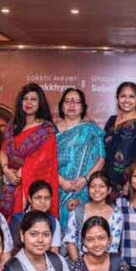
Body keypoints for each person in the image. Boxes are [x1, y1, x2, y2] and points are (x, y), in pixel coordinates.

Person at [0, 83, 59, 219]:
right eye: (25, 99)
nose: (28, 103)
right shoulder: (12, 126)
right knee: (11, 225)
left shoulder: (46, 129)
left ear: (40, 103)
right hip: (10, 183)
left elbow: (44, 159)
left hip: (29, 184)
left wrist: (22, 171)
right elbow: (3, 150)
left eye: (33, 99)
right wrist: (6, 170)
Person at [55, 88, 105, 230]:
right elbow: (46, 162)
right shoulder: (50, 131)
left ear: (83, 107)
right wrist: (62, 182)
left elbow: (101, 158)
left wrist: (85, 179)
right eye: (68, 101)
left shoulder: (91, 130)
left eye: (76, 102)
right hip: (57, 187)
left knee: (82, 230)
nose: (72, 105)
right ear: (61, 105)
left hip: (83, 189)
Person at [64, 172, 122, 260]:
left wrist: (105, 268)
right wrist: (78, 266)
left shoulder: (116, 215)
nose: (97, 190)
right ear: (88, 190)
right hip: (81, 263)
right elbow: (70, 241)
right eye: (92, 186)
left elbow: (113, 246)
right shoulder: (78, 211)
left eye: (101, 186)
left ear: (109, 190)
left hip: (106, 265)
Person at [8, 180, 61, 254]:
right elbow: (11, 249)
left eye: (47, 198)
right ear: (30, 199)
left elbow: (54, 251)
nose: (43, 202)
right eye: (38, 198)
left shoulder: (53, 221)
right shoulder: (18, 219)